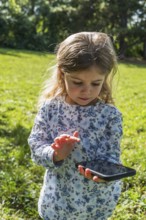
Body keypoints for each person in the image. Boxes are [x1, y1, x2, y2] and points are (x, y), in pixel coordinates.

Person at [28, 32, 123, 220]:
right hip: (58, 201)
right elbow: (36, 146)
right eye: (77, 82)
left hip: (96, 201)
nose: (86, 90)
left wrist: (107, 173)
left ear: (105, 79)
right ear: (62, 73)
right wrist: (55, 154)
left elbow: (111, 154)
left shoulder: (110, 116)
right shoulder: (51, 109)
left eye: (96, 83)